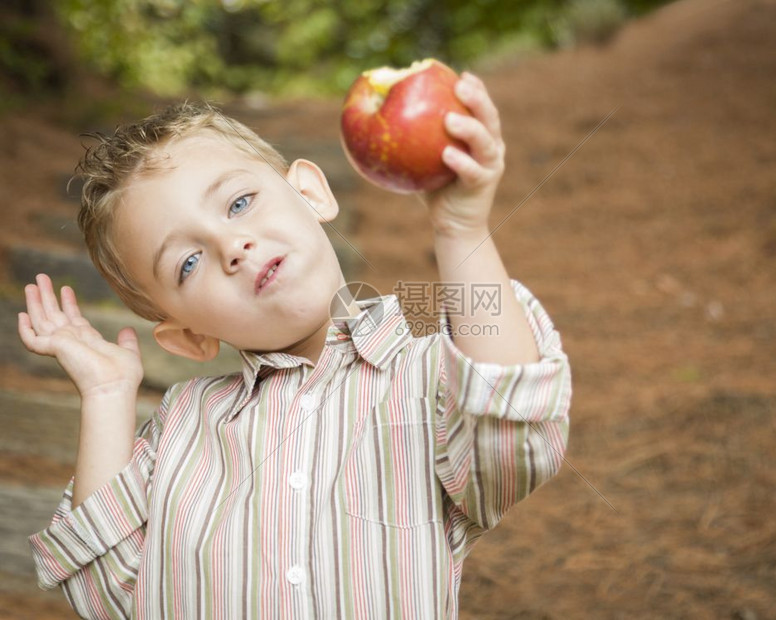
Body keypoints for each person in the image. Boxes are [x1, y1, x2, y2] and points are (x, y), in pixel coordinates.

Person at [19, 72, 571, 618]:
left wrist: (461, 231)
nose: (231, 244)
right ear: (189, 336)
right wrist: (108, 395)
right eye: (188, 263)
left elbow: (514, 438)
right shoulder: (181, 428)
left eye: (238, 204)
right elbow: (105, 591)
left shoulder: (426, 378)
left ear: (310, 192)